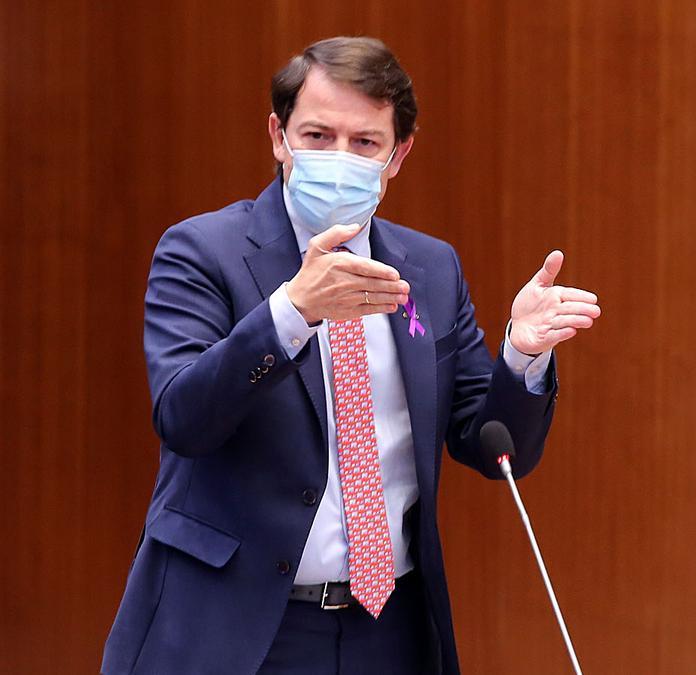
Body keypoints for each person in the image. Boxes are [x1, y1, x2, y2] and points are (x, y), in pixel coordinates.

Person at [102, 36, 600, 675]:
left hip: (387, 629)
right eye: (317, 135)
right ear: (279, 137)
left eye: (364, 143)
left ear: (398, 155)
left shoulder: (431, 268)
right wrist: (291, 314)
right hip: (238, 625)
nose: (339, 157)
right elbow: (184, 418)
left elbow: (489, 443)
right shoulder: (202, 251)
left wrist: (522, 356)